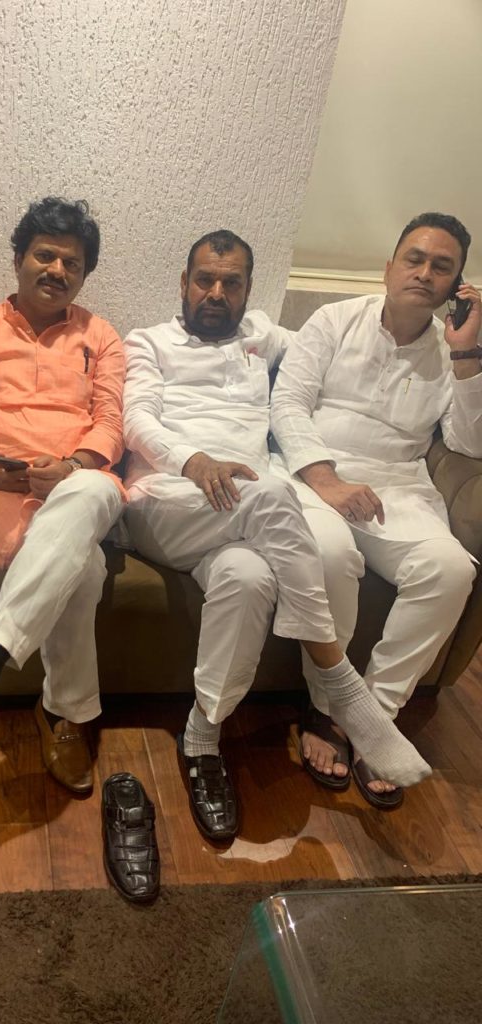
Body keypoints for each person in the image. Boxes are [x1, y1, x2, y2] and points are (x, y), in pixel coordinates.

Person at [122, 229, 431, 841]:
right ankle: (341, 684)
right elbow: (136, 420)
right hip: (168, 503)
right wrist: (194, 461)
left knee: (249, 579)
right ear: (183, 284)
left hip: (238, 517)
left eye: (231, 282)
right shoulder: (147, 341)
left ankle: (202, 736)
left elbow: (336, 358)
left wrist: (441, 352)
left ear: (247, 291)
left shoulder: (265, 337)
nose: (216, 292)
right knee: (271, 492)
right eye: (204, 279)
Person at [270, 212, 481, 808]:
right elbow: (287, 403)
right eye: (415, 259)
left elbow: (468, 443)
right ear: (389, 267)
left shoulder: (452, 351)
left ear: (456, 286)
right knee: (330, 552)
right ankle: (324, 709)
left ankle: (374, 719)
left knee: (451, 570)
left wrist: (468, 357)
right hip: (315, 472)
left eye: (442, 267)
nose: (425, 273)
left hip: (400, 485)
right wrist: (326, 480)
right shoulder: (334, 320)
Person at [0, 197, 125, 794]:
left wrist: (72, 465)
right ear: (18, 259)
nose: (57, 271)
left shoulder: (101, 336)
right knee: (83, 569)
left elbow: (110, 424)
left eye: (72, 263)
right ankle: (66, 716)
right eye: (45, 256)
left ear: (84, 275)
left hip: (79, 484)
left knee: (88, 492)